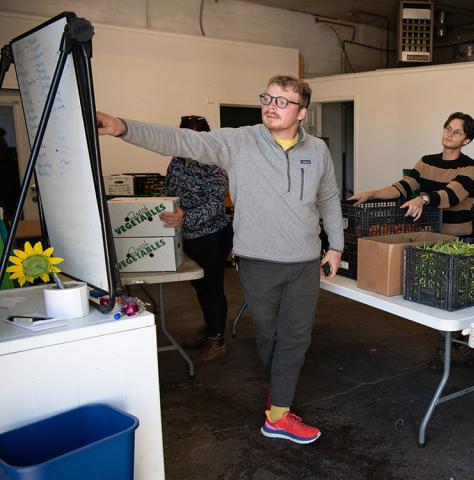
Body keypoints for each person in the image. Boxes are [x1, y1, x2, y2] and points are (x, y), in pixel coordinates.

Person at [96, 75, 343, 445]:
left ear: (302, 112)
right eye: (267, 98)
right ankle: (281, 393)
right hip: (259, 261)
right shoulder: (239, 142)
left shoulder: (318, 151)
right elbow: (181, 139)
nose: (271, 107)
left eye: (282, 102)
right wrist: (123, 127)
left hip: (305, 260)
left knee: (296, 337)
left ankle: (278, 413)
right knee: (270, 337)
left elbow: (328, 199)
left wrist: (335, 246)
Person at [349, 112, 474, 368]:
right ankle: (453, 347)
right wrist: (372, 193)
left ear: (467, 140)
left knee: (451, 297)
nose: (449, 134)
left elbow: (452, 195)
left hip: (456, 239)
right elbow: (401, 187)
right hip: (428, 237)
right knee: (434, 296)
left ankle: (450, 349)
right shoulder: (425, 162)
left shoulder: (472, 168)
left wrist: (424, 198)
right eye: (447, 128)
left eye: (457, 131)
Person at [159, 115, 233, 365]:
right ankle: (209, 327)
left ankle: (217, 340)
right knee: (198, 286)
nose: (186, 143)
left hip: (212, 236)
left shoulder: (214, 163)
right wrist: (163, 206)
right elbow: (168, 188)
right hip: (187, 235)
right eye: (183, 137)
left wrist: (185, 218)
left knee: (212, 287)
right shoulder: (178, 160)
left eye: (192, 138)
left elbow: (216, 204)